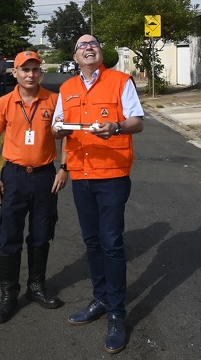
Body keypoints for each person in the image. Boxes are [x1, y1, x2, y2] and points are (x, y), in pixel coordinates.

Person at [52, 35, 144, 355]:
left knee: (111, 242)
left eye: (94, 44)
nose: (88, 47)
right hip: (81, 176)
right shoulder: (66, 89)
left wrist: (117, 127)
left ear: (101, 53)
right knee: (92, 242)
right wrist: (59, 131)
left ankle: (117, 313)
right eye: (82, 46)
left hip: (113, 175)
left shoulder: (120, 81)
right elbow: (56, 127)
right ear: (75, 56)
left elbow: (137, 121)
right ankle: (101, 299)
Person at [0, 50, 67, 324]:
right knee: (9, 235)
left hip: (45, 177)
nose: (30, 74)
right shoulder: (5, 103)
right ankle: (9, 294)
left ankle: (36, 287)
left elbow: (67, 136)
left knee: (42, 233)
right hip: (14, 177)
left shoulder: (54, 101)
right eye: (25, 70)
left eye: (35, 69)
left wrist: (64, 167)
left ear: (40, 72)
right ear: (15, 73)